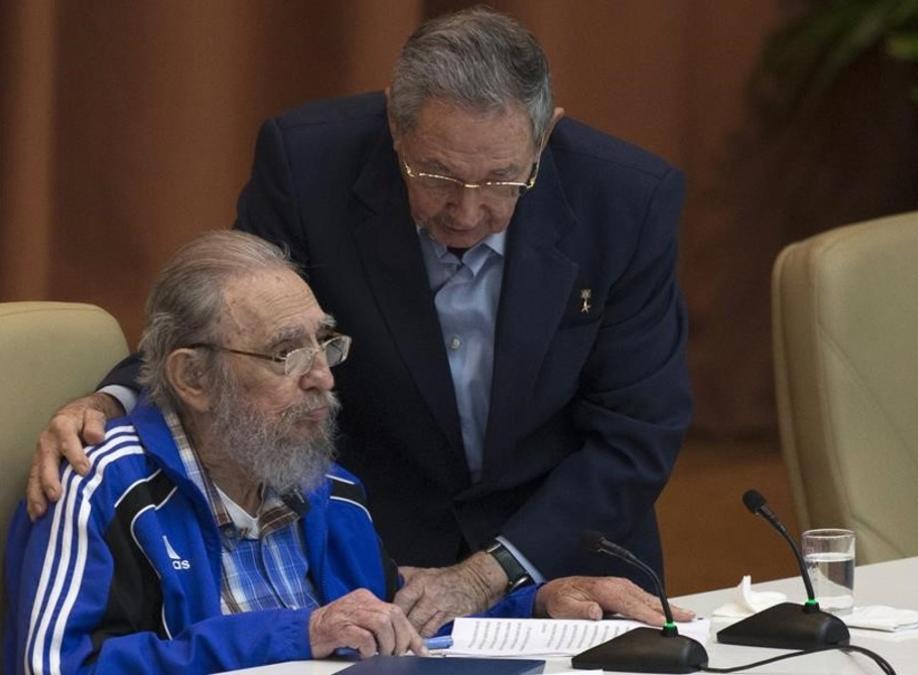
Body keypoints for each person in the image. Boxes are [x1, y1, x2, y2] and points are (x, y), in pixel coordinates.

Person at [27, 6, 691, 635]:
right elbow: (229, 318)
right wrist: (112, 397)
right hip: (379, 571)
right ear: (395, 126)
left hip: (563, 566)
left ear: (544, 136)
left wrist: (502, 572)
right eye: (435, 173)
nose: (466, 209)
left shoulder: (627, 200)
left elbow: (636, 432)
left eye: (499, 180)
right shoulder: (309, 163)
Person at [4, 231, 690, 675]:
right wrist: (293, 633)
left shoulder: (326, 486)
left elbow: (395, 623)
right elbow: (53, 668)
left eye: (323, 343)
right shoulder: (102, 486)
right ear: (192, 377)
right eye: (284, 352)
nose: (323, 376)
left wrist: (541, 602)